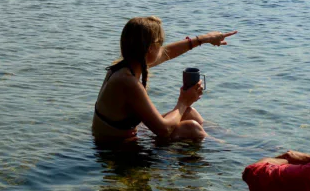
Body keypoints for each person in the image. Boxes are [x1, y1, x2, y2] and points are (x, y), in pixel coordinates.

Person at [92, 16, 236, 141]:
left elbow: (168, 53)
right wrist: (183, 101)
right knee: (191, 128)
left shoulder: (126, 65)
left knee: (190, 113)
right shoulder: (128, 82)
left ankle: (232, 138)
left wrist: (205, 39)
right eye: (160, 44)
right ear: (149, 49)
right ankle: (229, 149)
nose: (162, 49)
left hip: (129, 134)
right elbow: (163, 130)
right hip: (116, 148)